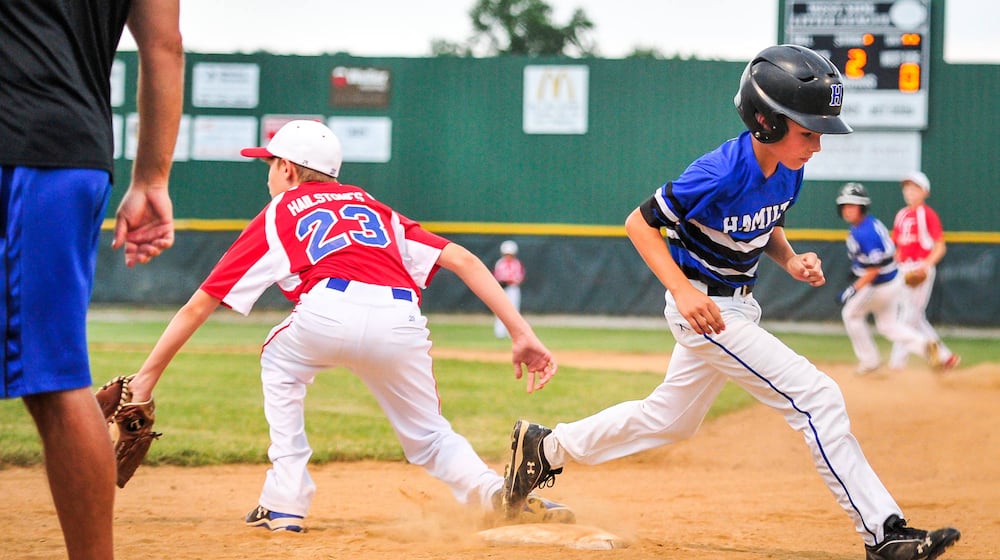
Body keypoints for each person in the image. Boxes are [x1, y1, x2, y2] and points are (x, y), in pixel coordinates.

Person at [499, 45, 960, 560]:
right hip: (705, 312)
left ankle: (545, 448)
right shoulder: (717, 170)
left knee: (671, 418)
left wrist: (788, 260)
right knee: (816, 397)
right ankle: (884, 532)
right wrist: (683, 290)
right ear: (765, 122)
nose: (817, 145)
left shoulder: (790, 166)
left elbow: (768, 220)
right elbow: (639, 223)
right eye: (808, 131)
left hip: (736, 307)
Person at [124, 120, 573, 532]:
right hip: (401, 319)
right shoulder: (372, 207)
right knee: (430, 434)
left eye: (269, 165)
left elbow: (199, 306)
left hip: (326, 312)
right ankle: (494, 492)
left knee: (279, 360)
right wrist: (521, 332)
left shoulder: (280, 212)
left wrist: (146, 380)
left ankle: (285, 499)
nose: (267, 176)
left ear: (288, 170)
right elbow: (463, 259)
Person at [0, 2, 184, 559]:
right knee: (56, 382)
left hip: (31, 142)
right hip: (64, 147)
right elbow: (164, 44)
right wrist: (152, 176)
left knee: (56, 383)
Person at [836, 182, 941, 375]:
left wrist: (853, 288)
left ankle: (869, 361)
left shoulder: (864, 232)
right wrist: (858, 269)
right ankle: (925, 345)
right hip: (893, 282)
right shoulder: (870, 224)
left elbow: (874, 269)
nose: (847, 210)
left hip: (879, 286)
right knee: (888, 326)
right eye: (844, 205)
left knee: (850, 314)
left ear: (862, 207)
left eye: (852, 205)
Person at [889, 172, 960, 370]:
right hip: (903, 270)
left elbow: (940, 246)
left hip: (920, 268)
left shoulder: (927, 214)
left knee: (907, 318)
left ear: (925, 192)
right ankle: (945, 358)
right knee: (916, 317)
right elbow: (898, 248)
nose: (909, 191)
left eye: (914, 187)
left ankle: (897, 366)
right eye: (907, 187)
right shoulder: (901, 214)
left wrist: (925, 266)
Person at [492, 240, 525, 338]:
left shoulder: (517, 263)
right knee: (500, 310)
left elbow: (519, 278)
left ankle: (512, 333)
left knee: (514, 311)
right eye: (506, 254)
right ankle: (499, 332)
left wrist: (508, 281)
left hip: (512, 289)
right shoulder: (499, 263)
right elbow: (496, 277)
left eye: (510, 254)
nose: (508, 256)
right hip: (502, 289)